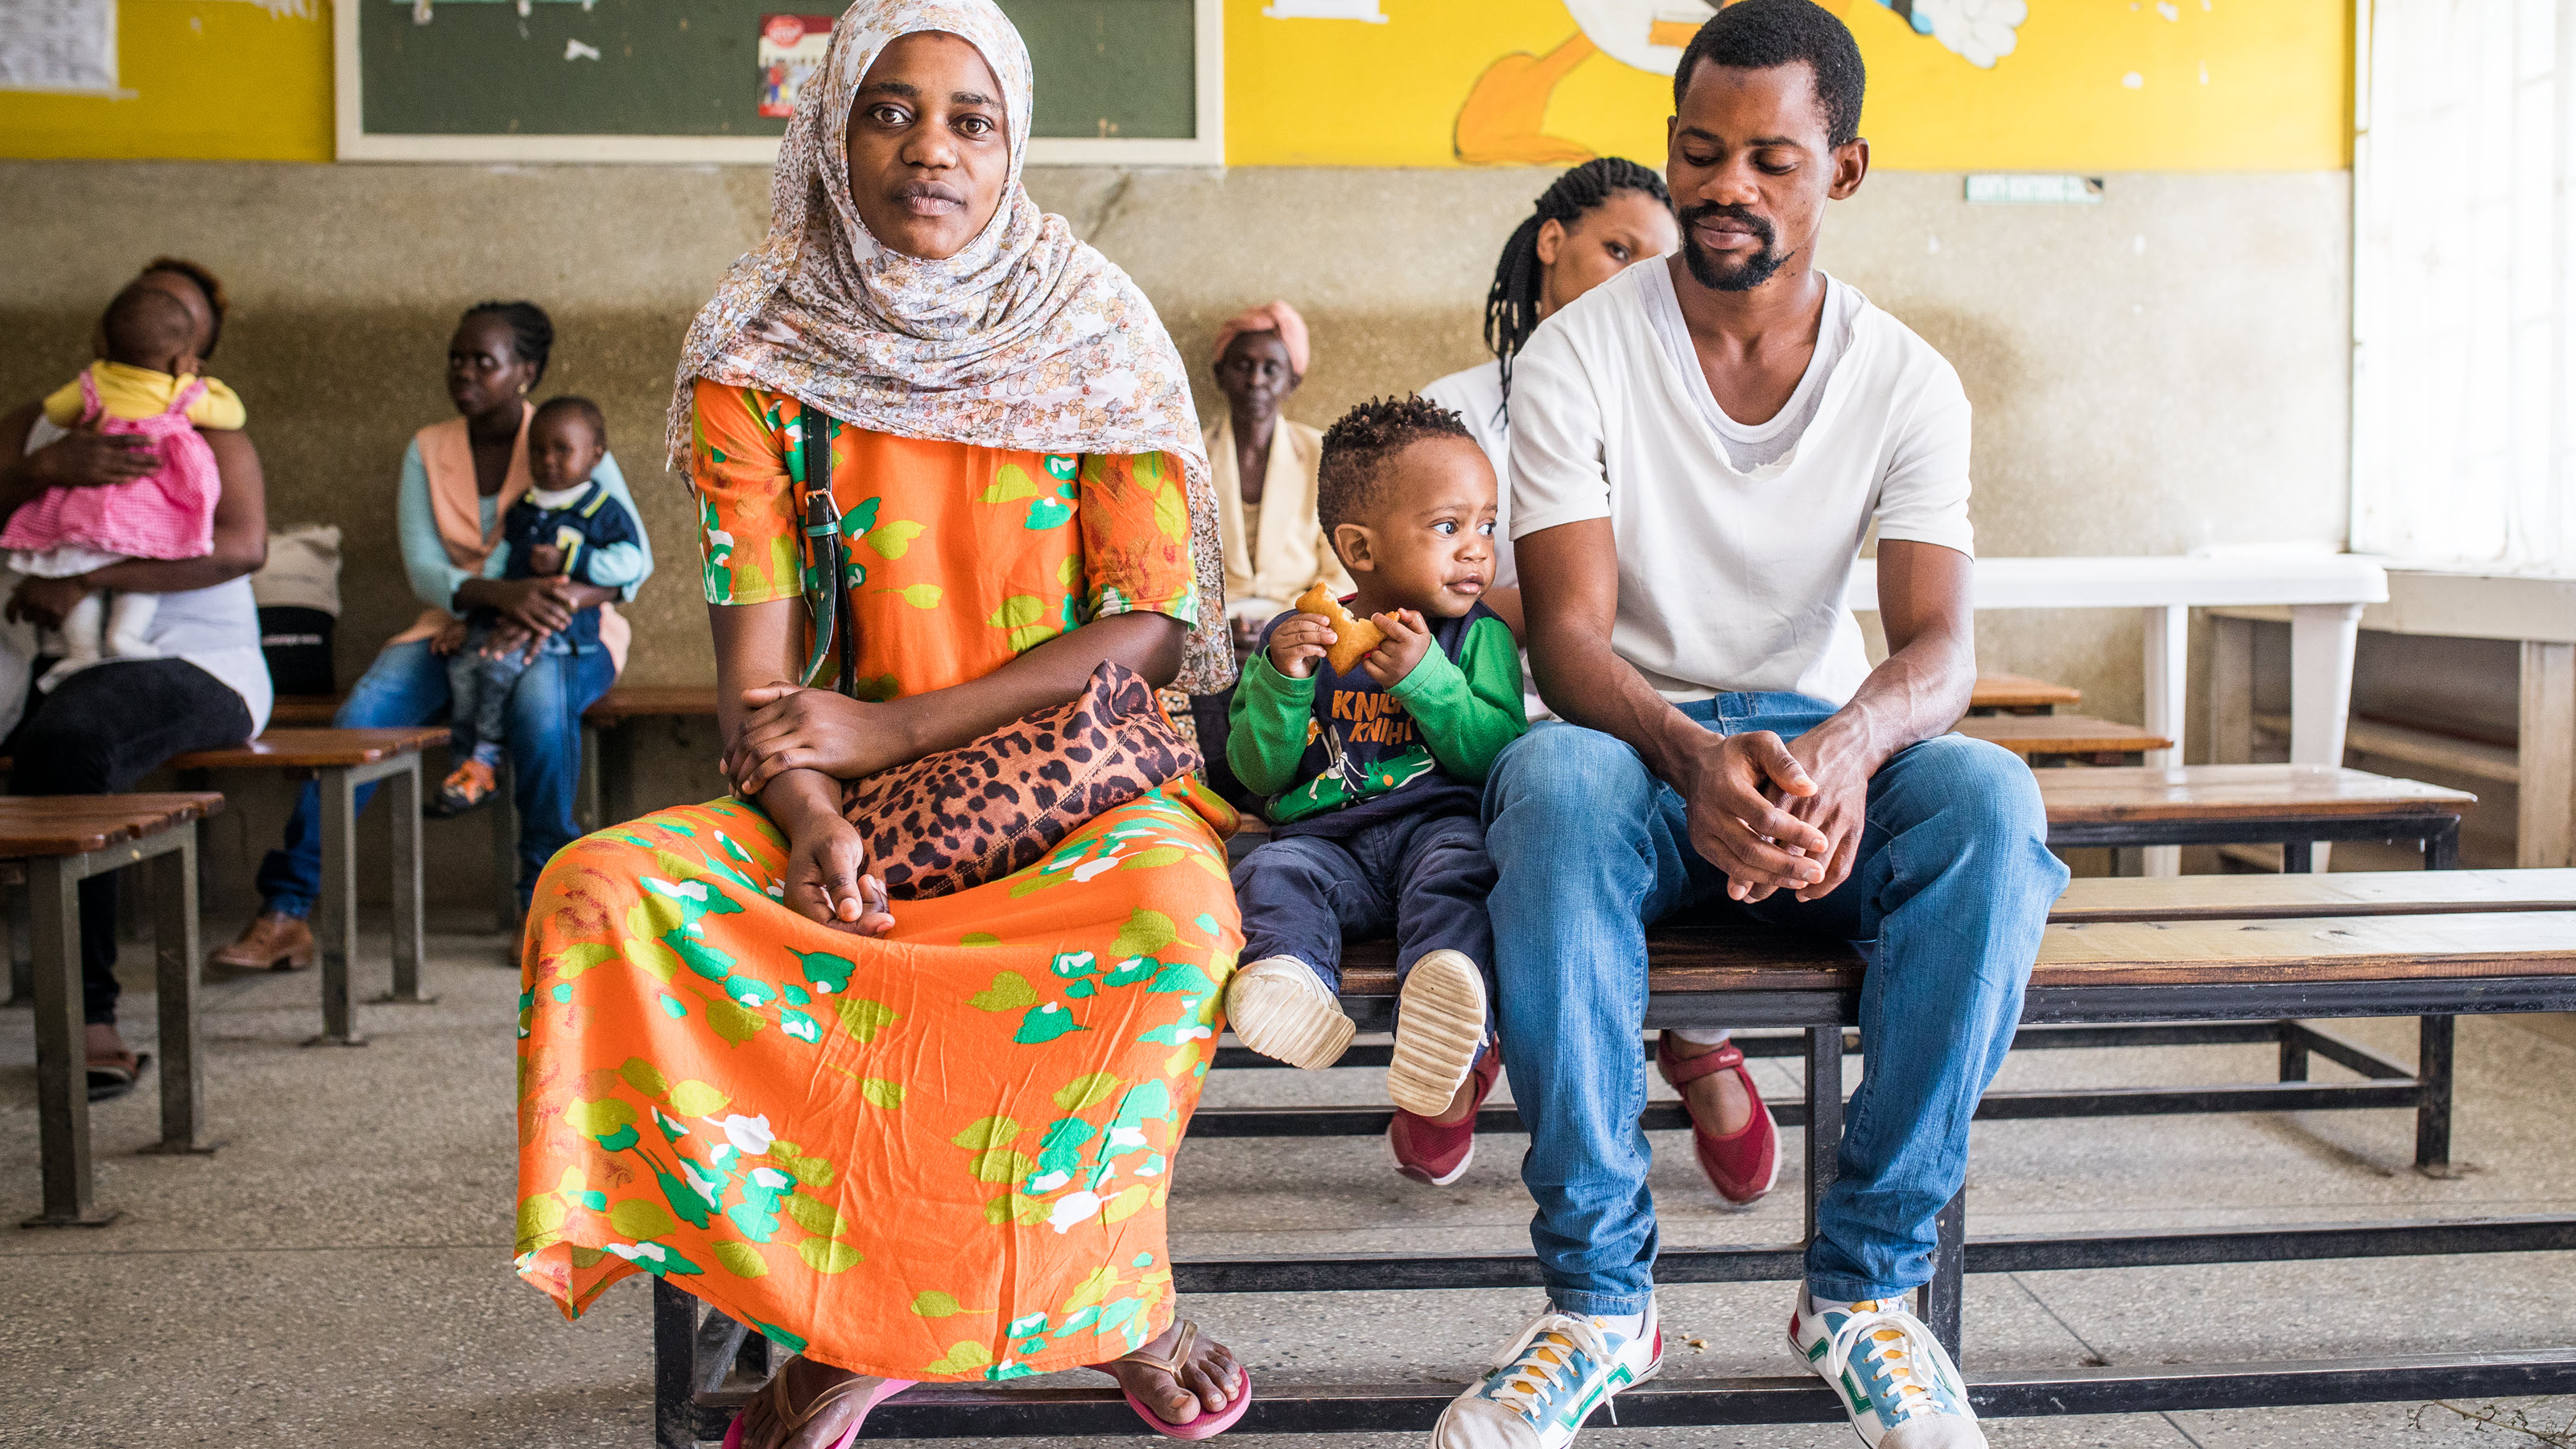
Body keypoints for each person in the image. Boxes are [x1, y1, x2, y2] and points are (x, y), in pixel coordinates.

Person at [512, 6, 1249, 1444]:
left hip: (1070, 798)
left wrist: (888, 731)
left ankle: (1065, 1307)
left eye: (972, 120)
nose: (931, 149)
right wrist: (813, 817)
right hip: (829, 803)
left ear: (1014, 144)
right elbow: (759, 677)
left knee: (1170, 932)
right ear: (829, 135)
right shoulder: (761, 342)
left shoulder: (1089, 329)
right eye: (889, 112)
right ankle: (891, 1317)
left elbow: (1152, 625)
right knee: (594, 892)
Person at [1433, 6, 2066, 1448]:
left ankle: (1865, 1295)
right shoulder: (1580, 356)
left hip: (1813, 740)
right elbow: (1573, 638)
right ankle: (1600, 1307)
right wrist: (1689, 759)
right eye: (1701, 153)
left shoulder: (1908, 379)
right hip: (1637, 754)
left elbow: (1940, 648)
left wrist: (1841, 754)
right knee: (1550, 778)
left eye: (1771, 159)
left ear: (1840, 172)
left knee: (1986, 804)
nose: (1728, 187)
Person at [212, 301, 654, 970]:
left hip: (565, 631)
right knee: (362, 717)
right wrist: (500, 598)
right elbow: (426, 570)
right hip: (456, 626)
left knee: (539, 705)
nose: (465, 372)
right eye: (457, 358)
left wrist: (551, 598)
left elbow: (635, 562)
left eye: (485, 360)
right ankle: (286, 911)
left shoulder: (566, 430)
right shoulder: (429, 448)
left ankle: (545, 907)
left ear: (525, 372)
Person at [1222, 396, 1525, 1184]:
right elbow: (1259, 776)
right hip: (1329, 847)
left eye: (1486, 527)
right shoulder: (1310, 638)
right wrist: (1283, 682)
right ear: (1360, 547)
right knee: (1267, 871)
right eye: (1448, 527)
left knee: (1464, 871)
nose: (1475, 552)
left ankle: (1443, 999)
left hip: (1436, 826)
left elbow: (1494, 755)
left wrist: (1429, 682)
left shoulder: (1477, 636)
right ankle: (1293, 982)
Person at [0, 258, 271, 1099]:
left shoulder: (213, 433)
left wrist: (86, 578)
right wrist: (41, 475)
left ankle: (86, 1017)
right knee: (61, 716)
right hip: (40, 657)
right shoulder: (39, 428)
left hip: (192, 664)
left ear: (195, 362)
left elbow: (241, 547)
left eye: (179, 329)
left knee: (74, 738)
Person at [1422, 159, 1677, 604]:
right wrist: (1582, 606)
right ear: (1553, 241)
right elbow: (1418, 591)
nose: (1638, 282)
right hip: (1498, 674)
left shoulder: (1673, 416)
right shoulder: (1450, 411)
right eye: (1619, 251)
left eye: (1659, 271)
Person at [6, 282, 240, 690]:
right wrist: (44, 466)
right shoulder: (185, 399)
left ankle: (85, 652)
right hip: (34, 642)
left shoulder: (91, 388)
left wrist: (81, 580)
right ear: (186, 359)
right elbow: (233, 411)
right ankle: (118, 639)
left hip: (192, 650)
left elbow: (246, 549)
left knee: (76, 557)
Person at [427, 395, 646, 816]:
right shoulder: (524, 508)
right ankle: (469, 769)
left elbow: (631, 563)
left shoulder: (602, 510)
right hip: (504, 621)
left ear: (595, 456)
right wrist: (470, 616)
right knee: (464, 671)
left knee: (503, 676)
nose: (547, 460)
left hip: (564, 639)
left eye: (562, 450)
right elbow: (496, 570)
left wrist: (571, 560)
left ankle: (485, 762)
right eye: (538, 450)